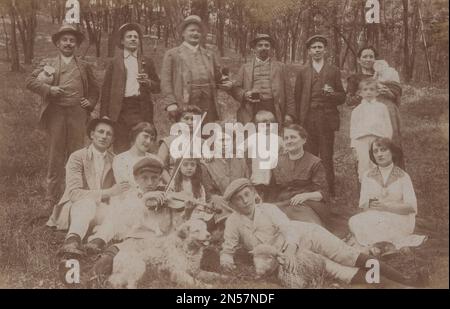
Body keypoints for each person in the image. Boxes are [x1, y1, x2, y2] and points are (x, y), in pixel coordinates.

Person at [220, 178, 427, 287]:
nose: (245, 201)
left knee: (348, 256)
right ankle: (399, 287)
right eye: (238, 199)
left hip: (306, 236)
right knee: (340, 272)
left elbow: (289, 228)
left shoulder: (269, 209)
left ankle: (407, 280)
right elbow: (227, 248)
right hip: (294, 257)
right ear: (233, 204)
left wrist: (290, 250)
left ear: (254, 194)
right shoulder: (233, 222)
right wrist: (226, 261)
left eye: (247, 195)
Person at [26, 24, 100, 213]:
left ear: (76, 45)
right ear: (58, 43)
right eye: (65, 40)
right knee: (55, 153)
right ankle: (51, 196)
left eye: (72, 41)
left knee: (77, 153)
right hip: (56, 113)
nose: (68, 43)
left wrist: (89, 103)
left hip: (77, 114)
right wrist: (49, 90)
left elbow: (94, 89)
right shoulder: (49, 63)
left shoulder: (83, 65)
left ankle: (76, 193)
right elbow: (30, 81)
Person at [48, 117, 130, 257]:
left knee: (119, 209)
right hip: (76, 209)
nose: (104, 136)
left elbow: (122, 190)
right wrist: (109, 192)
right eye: (101, 132)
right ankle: (72, 241)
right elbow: (74, 194)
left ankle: (96, 242)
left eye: (108, 134)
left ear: (113, 139)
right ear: (92, 135)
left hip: (100, 211)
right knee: (87, 203)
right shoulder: (78, 157)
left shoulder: (116, 160)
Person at [84, 155, 177, 254]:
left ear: (159, 178)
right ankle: (99, 239)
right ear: (136, 179)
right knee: (116, 212)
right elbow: (129, 219)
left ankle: (102, 240)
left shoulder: (164, 195)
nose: (150, 183)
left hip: (150, 237)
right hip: (130, 231)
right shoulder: (133, 195)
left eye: (154, 178)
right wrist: (145, 198)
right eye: (144, 178)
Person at [348, 138, 426, 254]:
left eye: (383, 150)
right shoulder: (368, 176)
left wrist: (386, 207)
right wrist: (373, 204)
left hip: (399, 217)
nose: (379, 154)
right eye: (376, 151)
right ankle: (384, 245)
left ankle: (378, 246)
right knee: (354, 221)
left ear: (392, 152)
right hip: (375, 215)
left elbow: (411, 207)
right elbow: (363, 203)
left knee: (382, 224)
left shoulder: (403, 176)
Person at [293, 35, 346, 197]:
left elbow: (342, 97)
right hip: (308, 119)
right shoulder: (302, 71)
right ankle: (309, 190)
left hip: (326, 119)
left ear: (325, 50)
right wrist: (298, 121)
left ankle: (330, 192)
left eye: (320, 47)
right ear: (309, 51)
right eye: (314, 47)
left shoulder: (333, 71)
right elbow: (297, 97)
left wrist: (332, 94)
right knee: (309, 154)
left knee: (326, 155)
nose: (317, 50)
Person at [99, 23, 161, 153]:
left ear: (139, 41)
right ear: (122, 41)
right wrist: (104, 115)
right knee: (121, 147)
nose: (133, 39)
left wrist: (148, 82)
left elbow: (157, 87)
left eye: (136, 37)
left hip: (140, 109)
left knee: (141, 145)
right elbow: (106, 91)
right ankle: (121, 172)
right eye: (129, 37)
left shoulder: (147, 61)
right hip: (120, 111)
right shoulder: (114, 63)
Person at [160, 15, 232, 124]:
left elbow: (218, 78)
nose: (195, 33)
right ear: (183, 33)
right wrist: (171, 103)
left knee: (208, 135)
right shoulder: (172, 54)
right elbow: (165, 82)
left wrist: (226, 81)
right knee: (187, 136)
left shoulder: (209, 54)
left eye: (198, 31)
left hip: (208, 105)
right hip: (185, 104)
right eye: (192, 30)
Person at [346, 46, 404, 168]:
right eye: (365, 56)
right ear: (358, 59)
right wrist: (366, 93)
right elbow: (349, 101)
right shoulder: (354, 78)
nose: (368, 59)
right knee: (365, 160)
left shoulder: (385, 73)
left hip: (385, 117)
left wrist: (388, 92)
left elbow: (396, 96)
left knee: (388, 149)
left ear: (375, 59)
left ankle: (393, 181)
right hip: (365, 121)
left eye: (371, 56)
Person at [270, 124, 329, 227]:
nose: (289, 141)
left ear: (303, 140)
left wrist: (305, 196)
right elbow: (272, 189)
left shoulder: (314, 162)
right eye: (286, 138)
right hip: (283, 203)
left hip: (307, 203)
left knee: (310, 227)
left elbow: (323, 193)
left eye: (293, 137)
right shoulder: (278, 161)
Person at [230, 33, 295, 125]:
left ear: (271, 49)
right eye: (260, 45)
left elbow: (289, 94)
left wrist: (289, 114)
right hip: (251, 108)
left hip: (274, 107)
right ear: (254, 49)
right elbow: (235, 89)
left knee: (273, 137)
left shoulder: (281, 67)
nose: (264, 48)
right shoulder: (245, 68)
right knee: (252, 137)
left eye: (267, 45)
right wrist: (245, 94)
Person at [350, 78, 393, 181]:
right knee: (364, 165)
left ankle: (380, 191)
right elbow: (353, 129)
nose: (368, 92)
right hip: (361, 141)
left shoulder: (382, 107)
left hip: (378, 139)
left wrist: (387, 142)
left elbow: (388, 125)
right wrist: (353, 146)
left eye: (371, 89)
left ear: (377, 92)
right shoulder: (357, 110)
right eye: (365, 89)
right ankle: (365, 192)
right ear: (360, 93)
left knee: (378, 163)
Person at [238, 110, 282, 200]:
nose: (266, 128)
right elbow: (240, 148)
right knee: (259, 196)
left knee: (272, 197)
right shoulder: (254, 138)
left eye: (269, 125)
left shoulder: (278, 139)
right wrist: (243, 160)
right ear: (257, 127)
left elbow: (286, 152)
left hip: (274, 175)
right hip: (258, 175)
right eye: (262, 126)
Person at [158, 105, 203, 183]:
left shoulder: (202, 143)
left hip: (197, 185)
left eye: (193, 119)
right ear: (178, 121)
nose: (190, 122)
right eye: (186, 119)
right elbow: (159, 167)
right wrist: (171, 183)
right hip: (174, 185)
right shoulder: (167, 142)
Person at [112, 122, 158, 187]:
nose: (148, 141)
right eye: (145, 136)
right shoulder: (120, 159)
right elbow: (125, 188)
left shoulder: (154, 159)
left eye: (152, 139)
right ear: (135, 135)